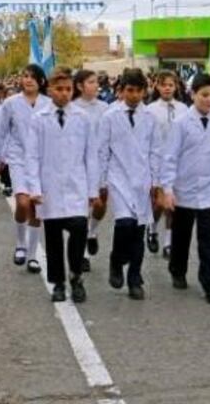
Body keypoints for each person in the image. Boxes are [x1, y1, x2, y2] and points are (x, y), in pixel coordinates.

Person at [25, 69, 100, 303]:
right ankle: (58, 282)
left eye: (68, 89)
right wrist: (35, 189)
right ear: (49, 90)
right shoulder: (39, 119)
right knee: (54, 238)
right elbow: (32, 156)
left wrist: (92, 190)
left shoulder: (82, 118)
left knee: (79, 230)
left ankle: (76, 275)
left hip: (77, 186)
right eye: (59, 89)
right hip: (50, 188)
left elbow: (91, 156)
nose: (64, 94)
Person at [158, 73, 210, 305]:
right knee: (182, 235)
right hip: (184, 189)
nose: (209, 100)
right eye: (204, 95)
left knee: (209, 240)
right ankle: (177, 270)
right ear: (193, 95)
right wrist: (168, 189)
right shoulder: (181, 124)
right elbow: (169, 157)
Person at [98, 69, 160, 300]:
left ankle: (135, 277)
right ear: (121, 91)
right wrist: (101, 181)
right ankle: (116, 260)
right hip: (119, 177)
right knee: (124, 224)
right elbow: (102, 150)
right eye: (129, 90)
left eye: (139, 91)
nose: (134, 95)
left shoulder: (150, 117)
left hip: (142, 179)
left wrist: (156, 181)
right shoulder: (110, 116)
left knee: (138, 230)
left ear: (145, 91)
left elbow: (155, 151)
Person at [0, 65, 51, 273]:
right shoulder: (11, 103)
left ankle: (33, 256)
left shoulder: (49, 104)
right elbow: (0, 133)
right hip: (18, 159)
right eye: (25, 76)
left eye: (33, 77)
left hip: (43, 162)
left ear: (41, 81)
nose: (28, 80)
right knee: (23, 203)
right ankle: (20, 242)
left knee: (37, 208)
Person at [145, 70, 188, 258]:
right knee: (160, 204)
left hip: (178, 161)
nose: (167, 88)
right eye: (164, 85)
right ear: (157, 87)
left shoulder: (183, 109)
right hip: (158, 160)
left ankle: (169, 242)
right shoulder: (150, 110)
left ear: (176, 87)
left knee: (173, 204)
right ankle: (152, 228)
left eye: (171, 85)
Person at [72, 69, 109, 270]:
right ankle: (83, 254)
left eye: (96, 82)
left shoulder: (105, 108)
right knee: (83, 206)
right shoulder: (73, 108)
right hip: (80, 163)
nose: (96, 85)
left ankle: (91, 232)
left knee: (101, 204)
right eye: (91, 82)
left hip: (102, 163)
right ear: (80, 86)